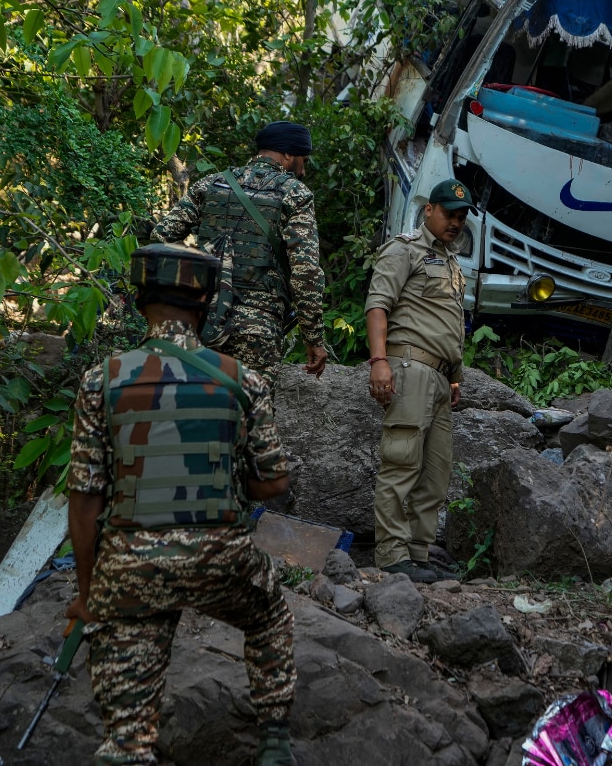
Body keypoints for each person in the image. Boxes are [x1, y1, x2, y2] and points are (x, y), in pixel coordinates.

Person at [65, 243, 296, 766]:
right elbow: (274, 483)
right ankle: (275, 743)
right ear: (205, 304)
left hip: (131, 568)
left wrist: (88, 596)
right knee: (269, 618)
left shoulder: (101, 381)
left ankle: (128, 744)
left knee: (126, 732)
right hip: (222, 560)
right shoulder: (242, 380)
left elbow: (84, 499)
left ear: (139, 301)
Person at [151, 121, 327, 395]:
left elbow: (161, 237)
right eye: (303, 161)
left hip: (203, 323)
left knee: (198, 409)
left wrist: (189, 293)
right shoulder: (296, 194)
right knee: (250, 417)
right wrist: (314, 338)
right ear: (289, 155)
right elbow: (305, 272)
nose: (303, 171)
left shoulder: (211, 184)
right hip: (258, 329)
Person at [364, 179, 474, 583]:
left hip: (442, 379)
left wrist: (456, 377)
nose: (456, 222)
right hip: (409, 368)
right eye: (449, 213)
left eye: (461, 216)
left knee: (435, 473)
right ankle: (392, 557)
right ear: (428, 210)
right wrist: (379, 361)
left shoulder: (449, 261)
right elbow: (378, 306)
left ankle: (418, 553)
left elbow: (449, 325)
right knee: (401, 462)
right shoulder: (403, 249)